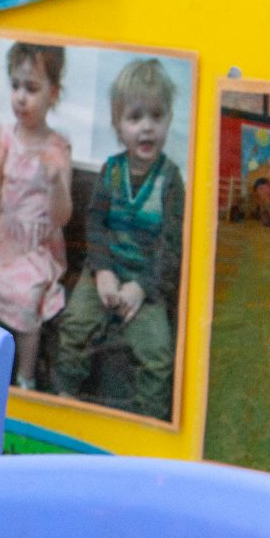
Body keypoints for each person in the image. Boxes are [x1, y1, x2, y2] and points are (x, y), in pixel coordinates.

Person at [52, 58, 185, 419]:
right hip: (104, 272)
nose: (146, 128)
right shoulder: (111, 171)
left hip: (147, 284)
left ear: (168, 120)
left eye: (156, 117)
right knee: (74, 325)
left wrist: (141, 288)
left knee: (159, 356)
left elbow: (170, 247)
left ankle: (148, 427)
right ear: (117, 125)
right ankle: (65, 400)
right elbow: (95, 224)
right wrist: (103, 272)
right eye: (135, 117)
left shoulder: (171, 180)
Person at [0, 42, 72, 388]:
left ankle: (26, 377)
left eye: (32, 88)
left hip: (33, 247)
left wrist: (56, 182)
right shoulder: (6, 138)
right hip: (0, 237)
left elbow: (62, 216)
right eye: (15, 86)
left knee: (26, 301)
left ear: (53, 94)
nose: (21, 97)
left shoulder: (57, 149)